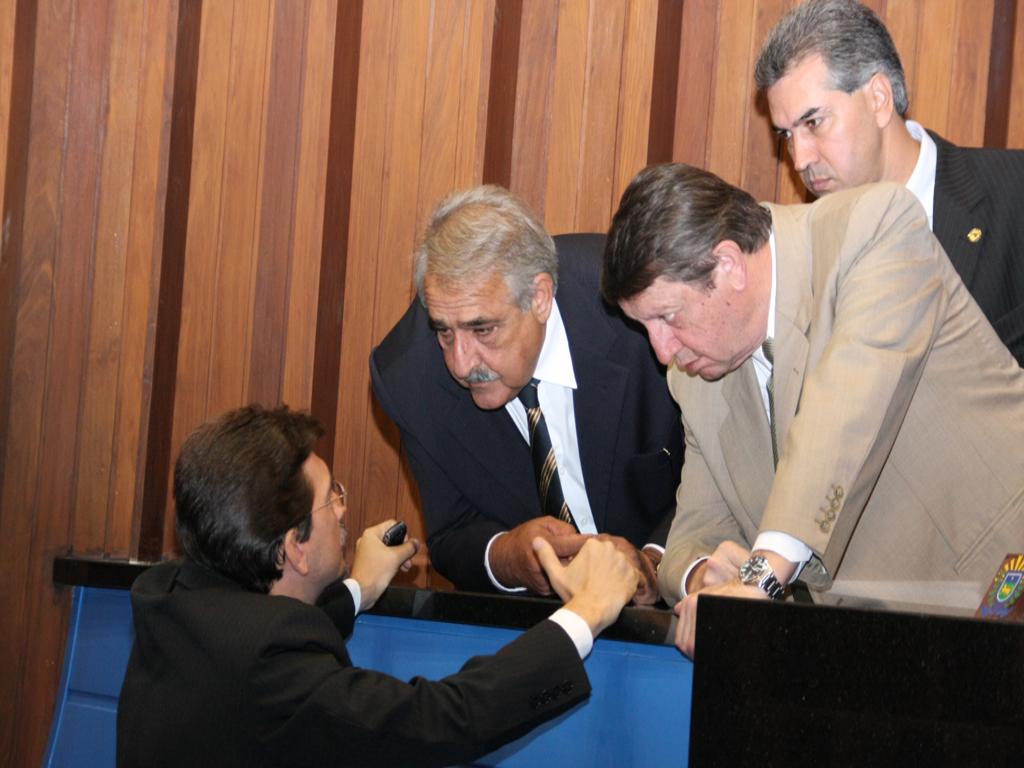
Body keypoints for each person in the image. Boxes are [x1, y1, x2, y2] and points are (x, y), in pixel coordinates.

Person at [601, 163, 1024, 657]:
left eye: (669, 317)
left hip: (1003, 580)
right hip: (880, 646)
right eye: (646, 328)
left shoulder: (872, 229)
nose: (663, 352)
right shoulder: (695, 376)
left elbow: (843, 418)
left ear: (728, 264)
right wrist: (703, 575)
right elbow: (694, 530)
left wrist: (760, 578)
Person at [117, 405, 640, 768]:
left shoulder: (173, 600)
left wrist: (358, 588)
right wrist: (586, 612)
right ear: (295, 547)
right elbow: (440, 721)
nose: (344, 509)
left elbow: (258, 646)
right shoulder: (270, 664)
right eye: (332, 498)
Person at [371, 185, 683, 602]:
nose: (461, 364)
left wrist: (654, 563)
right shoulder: (409, 377)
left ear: (539, 297)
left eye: (483, 329)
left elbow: (716, 475)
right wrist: (507, 556)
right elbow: (451, 532)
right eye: (444, 332)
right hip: (531, 624)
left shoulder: (639, 314)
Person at [755, 0, 1024, 365]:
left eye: (813, 123)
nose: (799, 159)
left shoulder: (1014, 194)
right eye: (787, 135)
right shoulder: (804, 250)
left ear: (879, 98)